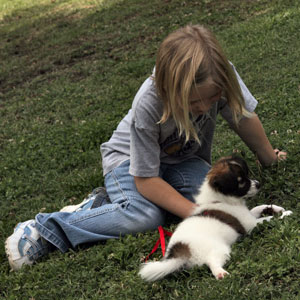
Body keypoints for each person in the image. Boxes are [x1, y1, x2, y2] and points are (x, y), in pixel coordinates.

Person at [5, 25, 286, 271]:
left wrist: (268, 157)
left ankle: (105, 206)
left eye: (211, 99)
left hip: (180, 164)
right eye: (192, 103)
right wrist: (193, 212)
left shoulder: (220, 76)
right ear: (169, 89)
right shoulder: (149, 101)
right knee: (145, 216)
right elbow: (146, 179)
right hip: (129, 164)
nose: (203, 108)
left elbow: (241, 116)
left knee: (221, 198)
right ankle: (45, 229)